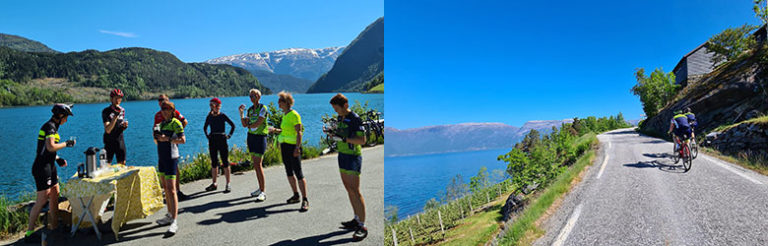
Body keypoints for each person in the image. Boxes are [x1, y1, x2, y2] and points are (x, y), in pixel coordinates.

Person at [25, 104, 76, 243]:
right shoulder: (49, 127)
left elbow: (46, 149)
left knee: (55, 194)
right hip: (42, 168)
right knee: (42, 200)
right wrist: (67, 143)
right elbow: (50, 146)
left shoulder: (54, 127)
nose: (67, 120)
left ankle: (54, 227)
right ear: (60, 116)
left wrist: (58, 159)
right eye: (66, 117)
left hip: (50, 165)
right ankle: (29, 233)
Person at [329, 93, 368, 241]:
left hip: (353, 157)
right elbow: (342, 134)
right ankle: (356, 219)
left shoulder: (355, 119)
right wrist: (334, 134)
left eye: (337, 109)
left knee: (356, 191)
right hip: (342, 155)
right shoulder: (340, 118)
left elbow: (362, 140)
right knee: (349, 190)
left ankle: (362, 226)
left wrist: (344, 138)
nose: (335, 112)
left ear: (345, 105)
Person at [271, 91, 309, 211]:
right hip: (285, 146)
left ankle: (305, 199)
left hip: (293, 147)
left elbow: (299, 132)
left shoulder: (294, 115)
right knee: (288, 172)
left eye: (280, 101)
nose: (278, 104)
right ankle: (295, 195)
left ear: (286, 102)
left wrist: (297, 147)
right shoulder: (285, 115)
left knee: (298, 173)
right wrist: (275, 130)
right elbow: (285, 130)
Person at [153, 101, 185, 235]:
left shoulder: (176, 123)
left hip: (172, 158)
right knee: (165, 188)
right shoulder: (162, 124)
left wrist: (169, 140)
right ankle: (169, 214)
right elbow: (157, 141)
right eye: (162, 109)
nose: (164, 111)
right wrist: (158, 137)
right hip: (162, 158)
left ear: (172, 111)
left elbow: (182, 140)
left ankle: (174, 222)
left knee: (172, 190)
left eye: (167, 109)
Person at [154, 94, 190, 200]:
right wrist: (156, 139)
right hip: (161, 144)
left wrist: (175, 134)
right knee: (163, 165)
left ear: (168, 100)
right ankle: (168, 190)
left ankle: (176, 189)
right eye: (159, 100)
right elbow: (155, 128)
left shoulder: (174, 112)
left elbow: (184, 121)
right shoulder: (158, 115)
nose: (161, 102)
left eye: (163, 100)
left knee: (174, 164)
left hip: (172, 142)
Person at [239, 89, 269, 201]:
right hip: (251, 137)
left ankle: (263, 191)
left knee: (258, 164)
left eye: (254, 95)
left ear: (259, 96)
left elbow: (259, 122)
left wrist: (249, 125)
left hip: (260, 137)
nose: (252, 97)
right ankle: (260, 188)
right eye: (250, 96)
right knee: (255, 165)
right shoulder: (250, 110)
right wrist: (241, 113)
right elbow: (244, 124)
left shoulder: (263, 108)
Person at [204, 98, 235, 193]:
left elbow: (233, 125)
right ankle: (214, 183)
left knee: (225, 161)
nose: (213, 107)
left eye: (215, 105)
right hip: (213, 140)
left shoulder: (222, 116)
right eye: (211, 105)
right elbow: (204, 127)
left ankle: (228, 183)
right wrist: (208, 136)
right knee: (214, 162)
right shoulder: (209, 116)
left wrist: (229, 135)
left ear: (218, 106)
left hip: (222, 139)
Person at [102, 89, 128, 165]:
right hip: (109, 141)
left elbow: (118, 126)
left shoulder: (122, 110)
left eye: (119, 98)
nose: (118, 100)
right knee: (105, 167)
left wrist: (124, 127)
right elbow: (108, 130)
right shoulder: (106, 111)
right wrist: (115, 116)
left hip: (120, 141)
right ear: (111, 99)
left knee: (122, 166)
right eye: (116, 98)